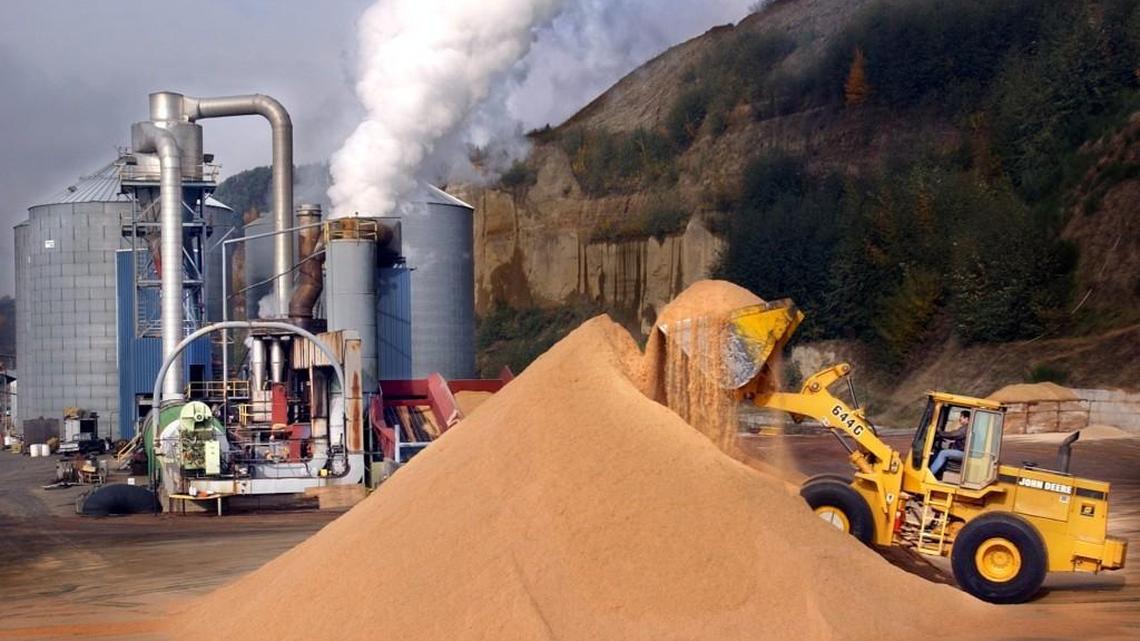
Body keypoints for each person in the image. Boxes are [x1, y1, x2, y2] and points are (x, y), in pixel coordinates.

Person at [930, 410, 970, 479]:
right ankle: (939, 473)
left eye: (961, 417)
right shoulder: (966, 428)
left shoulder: (966, 428)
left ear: (966, 418)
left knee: (943, 453)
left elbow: (953, 435)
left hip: (964, 453)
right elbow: (956, 437)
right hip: (963, 452)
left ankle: (930, 473)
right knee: (940, 451)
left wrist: (940, 432)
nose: (959, 419)